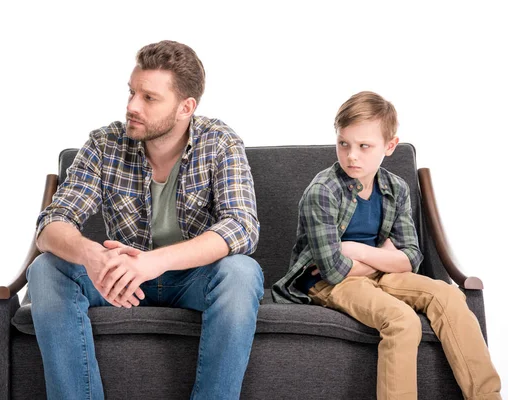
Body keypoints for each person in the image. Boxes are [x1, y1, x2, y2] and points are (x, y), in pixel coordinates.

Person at [26, 40, 264, 400]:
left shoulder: (220, 143)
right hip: (119, 278)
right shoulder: (105, 143)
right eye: (132, 92)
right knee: (46, 268)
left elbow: (241, 226)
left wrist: (154, 262)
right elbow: (52, 223)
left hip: (192, 280)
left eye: (149, 98)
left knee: (241, 272)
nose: (132, 106)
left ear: (186, 107)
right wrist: (93, 256)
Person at [271, 91, 501, 399]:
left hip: (376, 273)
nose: (352, 155)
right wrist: (384, 256)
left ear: (389, 146)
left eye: (364, 146)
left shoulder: (395, 188)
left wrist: (357, 250)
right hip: (325, 281)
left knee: (448, 296)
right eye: (344, 144)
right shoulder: (322, 191)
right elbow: (335, 270)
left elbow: (412, 257)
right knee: (401, 320)